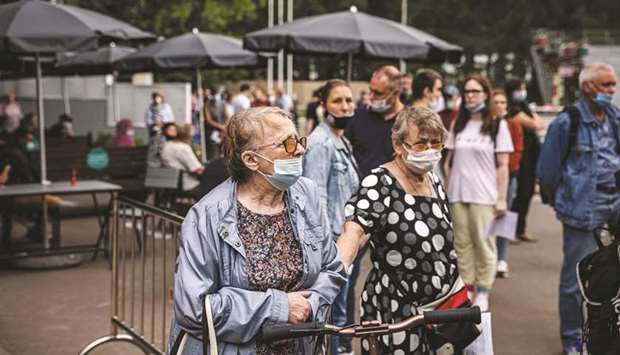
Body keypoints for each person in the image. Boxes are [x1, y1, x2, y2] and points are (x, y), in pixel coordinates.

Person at [168, 106, 347, 355]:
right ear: (251, 160)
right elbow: (195, 309)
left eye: (299, 140)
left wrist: (311, 305)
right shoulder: (206, 216)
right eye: (287, 143)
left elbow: (331, 267)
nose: (301, 149)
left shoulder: (307, 194)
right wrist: (279, 307)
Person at [338, 107, 469, 354]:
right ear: (398, 145)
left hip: (440, 309)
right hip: (397, 309)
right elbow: (355, 229)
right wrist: (335, 274)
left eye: (435, 142)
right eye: (420, 143)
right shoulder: (380, 182)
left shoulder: (433, 180)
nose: (429, 150)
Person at [537, 63, 620, 355]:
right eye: (606, 85)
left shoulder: (613, 116)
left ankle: (608, 328)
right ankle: (573, 339)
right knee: (577, 278)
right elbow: (547, 171)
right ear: (587, 86)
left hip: (615, 200)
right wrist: (564, 199)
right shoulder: (567, 121)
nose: (611, 91)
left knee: (614, 270)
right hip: (583, 206)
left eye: (613, 85)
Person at [443, 74, 513, 311]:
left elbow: (503, 165)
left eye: (475, 91)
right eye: (467, 92)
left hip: (485, 196)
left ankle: (483, 290)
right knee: (461, 245)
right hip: (458, 194)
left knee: (484, 245)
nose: (470, 96)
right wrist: (448, 186)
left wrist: (502, 198)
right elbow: (448, 160)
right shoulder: (458, 123)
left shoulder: (497, 125)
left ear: (486, 94)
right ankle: (468, 288)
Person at [344, 65, 405, 334]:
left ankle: (397, 332)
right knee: (346, 275)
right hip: (361, 209)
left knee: (399, 275)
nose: (372, 96)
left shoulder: (408, 122)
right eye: (370, 90)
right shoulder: (359, 118)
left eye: (378, 92)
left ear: (396, 91)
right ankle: (345, 337)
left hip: (398, 211)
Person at [302, 79, 359, 355]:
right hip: (335, 245)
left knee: (342, 312)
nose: (345, 106)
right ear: (324, 105)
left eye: (349, 100)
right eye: (338, 101)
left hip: (349, 241)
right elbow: (316, 202)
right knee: (334, 318)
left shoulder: (341, 139)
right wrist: (328, 250)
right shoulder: (321, 143)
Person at [490, 89, 524, 278]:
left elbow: (517, 151)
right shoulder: (484, 124)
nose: (501, 106)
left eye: (504, 103)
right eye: (497, 102)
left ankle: (502, 258)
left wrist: (507, 170)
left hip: (508, 176)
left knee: (505, 216)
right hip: (486, 178)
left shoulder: (512, 125)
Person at [505, 78, 544, 242]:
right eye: (520, 89)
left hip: (531, 154)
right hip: (519, 155)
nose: (522, 92)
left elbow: (539, 123)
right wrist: (532, 116)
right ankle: (508, 232)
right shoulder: (512, 109)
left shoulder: (523, 107)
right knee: (516, 194)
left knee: (527, 192)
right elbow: (534, 124)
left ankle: (520, 228)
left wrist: (531, 114)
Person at [161, 124, 204, 195]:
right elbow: (197, 170)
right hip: (188, 185)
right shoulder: (183, 148)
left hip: (170, 183)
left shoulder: (166, 145)